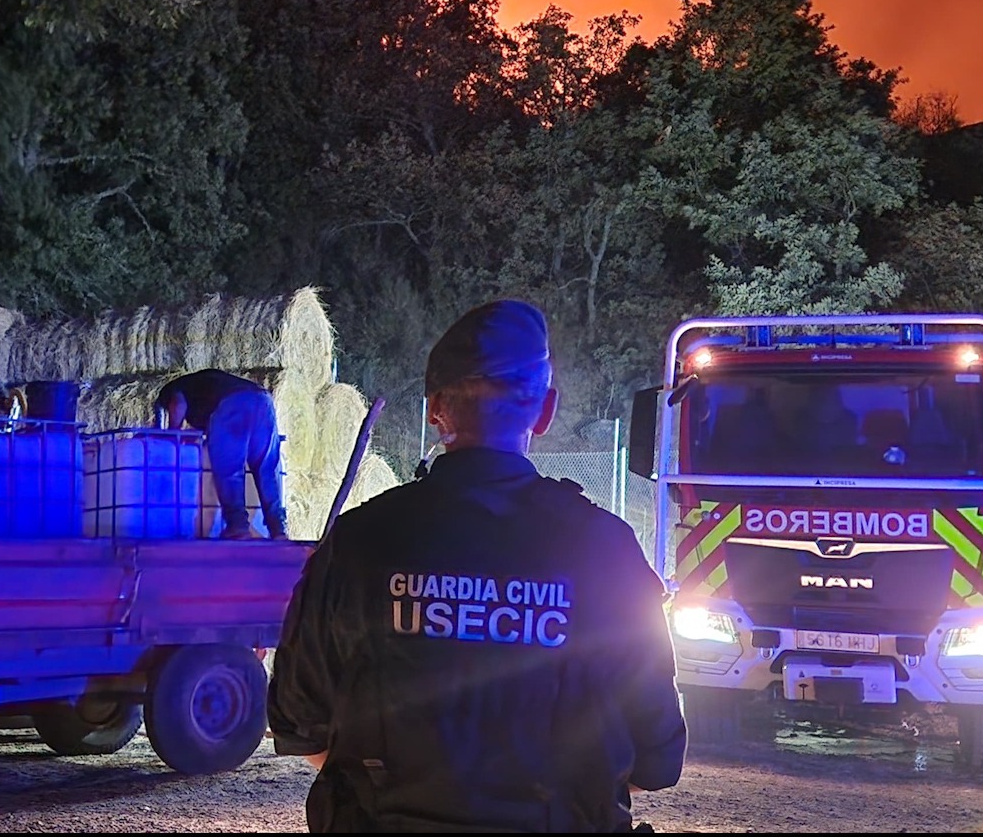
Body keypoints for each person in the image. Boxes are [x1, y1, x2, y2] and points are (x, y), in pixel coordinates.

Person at [267, 299, 687, 833]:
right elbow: (658, 758)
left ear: (435, 409)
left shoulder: (358, 540)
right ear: (545, 410)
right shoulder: (605, 548)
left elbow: (300, 723)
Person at [154, 369, 290, 540]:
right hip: (262, 400)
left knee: (230, 469)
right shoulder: (204, 386)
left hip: (232, 405)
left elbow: (178, 405)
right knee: (267, 469)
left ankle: (237, 526)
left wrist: (172, 433)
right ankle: (278, 529)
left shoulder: (172, 390)